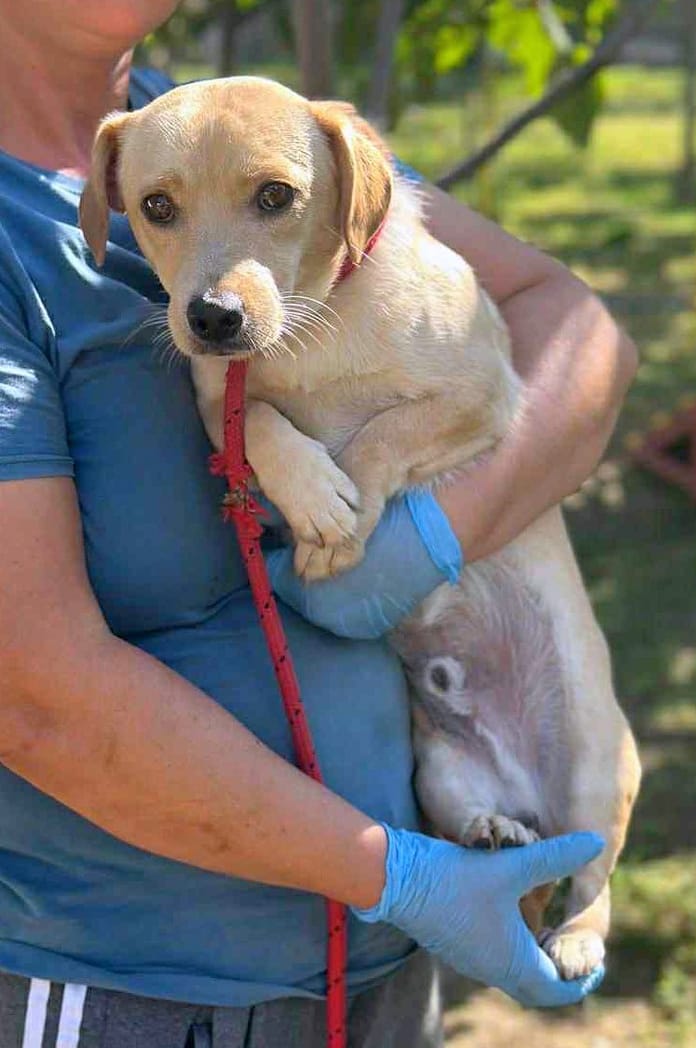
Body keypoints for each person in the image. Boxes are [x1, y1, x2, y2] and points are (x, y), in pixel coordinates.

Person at [0, 2, 637, 1045]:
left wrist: (437, 524)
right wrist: (396, 873)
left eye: (269, 203)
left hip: (376, 972)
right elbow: (33, 696)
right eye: (156, 211)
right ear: (117, 212)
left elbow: (576, 327)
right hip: (134, 989)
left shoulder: (237, 127)